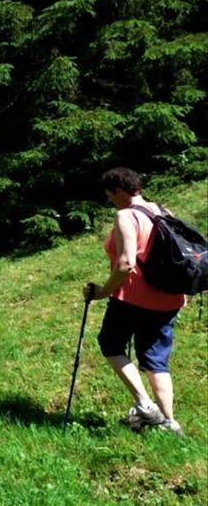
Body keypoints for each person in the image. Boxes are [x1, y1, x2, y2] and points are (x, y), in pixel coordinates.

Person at [84, 167, 186, 435]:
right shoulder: (163, 211)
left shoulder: (125, 216)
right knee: (156, 360)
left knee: (110, 343)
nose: (109, 200)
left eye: (109, 195)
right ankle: (169, 422)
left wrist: (103, 292)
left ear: (118, 191)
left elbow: (126, 263)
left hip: (133, 299)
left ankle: (145, 405)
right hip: (169, 298)